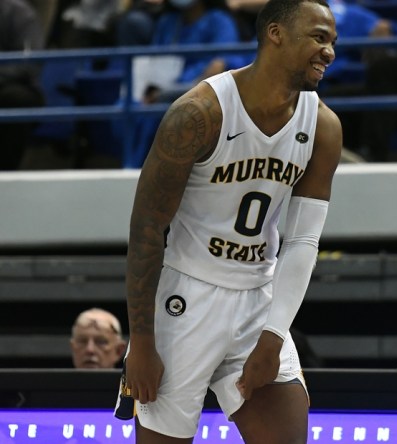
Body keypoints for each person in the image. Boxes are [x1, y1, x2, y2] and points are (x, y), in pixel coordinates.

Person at [116, 0, 341, 442]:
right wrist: (141, 342)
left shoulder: (323, 126)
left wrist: (274, 336)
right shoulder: (198, 114)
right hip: (184, 299)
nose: (329, 52)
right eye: (319, 37)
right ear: (275, 33)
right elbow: (146, 231)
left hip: (258, 297)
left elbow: (302, 241)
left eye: (332, 41)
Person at [0, 0, 46, 170]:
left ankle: (6, 172)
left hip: (13, 86)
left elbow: (29, 63)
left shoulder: (19, 13)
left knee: (16, 99)